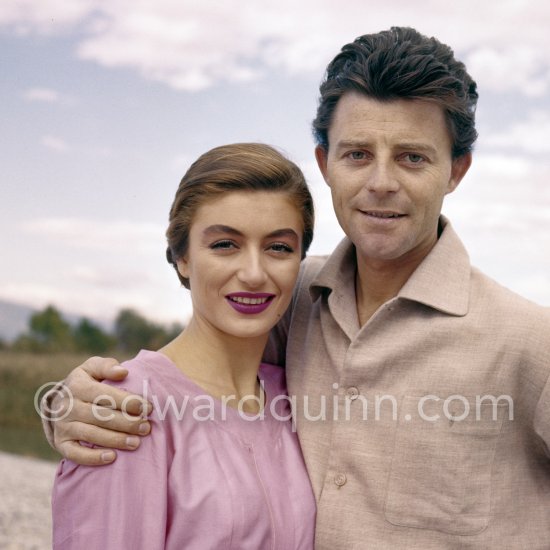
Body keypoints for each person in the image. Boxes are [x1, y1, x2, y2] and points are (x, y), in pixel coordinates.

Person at [44, 27, 550, 548]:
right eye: (356, 154)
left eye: (412, 157)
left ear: (456, 170)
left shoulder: (530, 342)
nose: (381, 182)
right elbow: (192, 376)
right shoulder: (291, 298)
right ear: (325, 164)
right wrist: (74, 405)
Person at [51, 143, 316, 549]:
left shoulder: (294, 395)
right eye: (225, 244)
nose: (253, 273)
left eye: (278, 247)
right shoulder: (125, 406)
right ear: (183, 258)